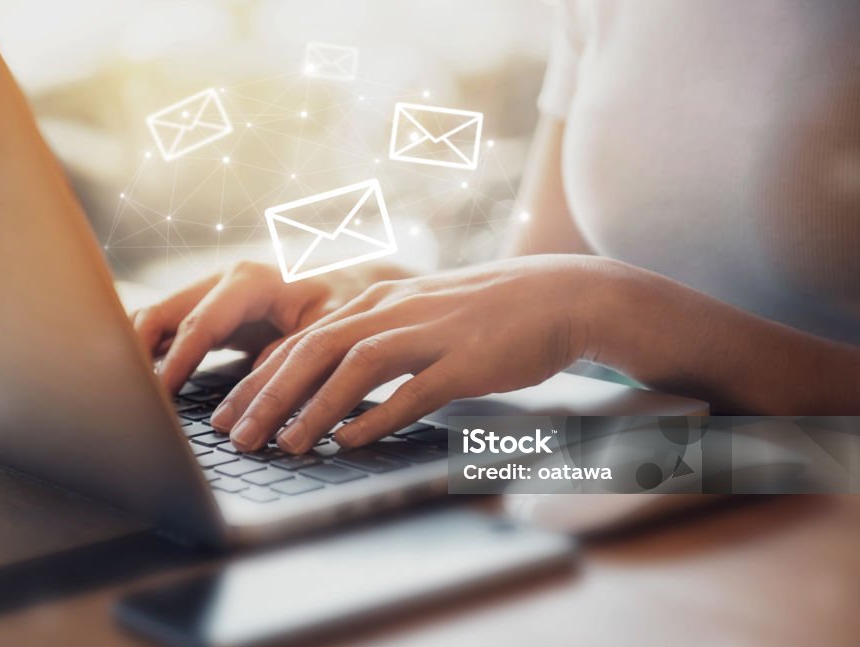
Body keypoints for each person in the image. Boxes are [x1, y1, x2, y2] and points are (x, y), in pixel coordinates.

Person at [133, 1, 860, 455]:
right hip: (660, 485)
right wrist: (367, 301)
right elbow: (537, 300)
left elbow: (577, 303)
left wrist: (601, 305)